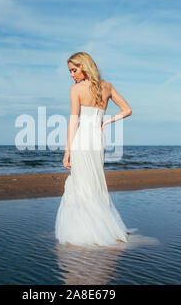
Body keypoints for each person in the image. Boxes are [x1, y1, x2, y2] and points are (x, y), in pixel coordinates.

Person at [55, 52, 133, 247]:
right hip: (98, 140)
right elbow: (127, 110)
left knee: (82, 183)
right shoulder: (107, 86)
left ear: (84, 66)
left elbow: (73, 121)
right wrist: (107, 120)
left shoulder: (76, 89)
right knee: (95, 182)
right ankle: (104, 227)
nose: (71, 75)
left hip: (82, 139)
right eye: (70, 71)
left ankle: (88, 231)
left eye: (74, 70)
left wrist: (67, 151)